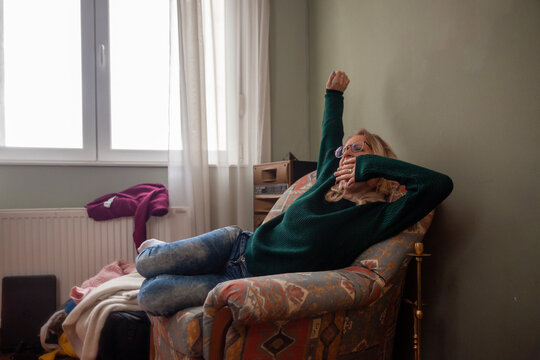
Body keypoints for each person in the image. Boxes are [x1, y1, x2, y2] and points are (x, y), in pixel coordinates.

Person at [135, 71, 453, 316]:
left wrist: (371, 165)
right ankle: (160, 248)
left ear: (377, 160)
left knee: (151, 294)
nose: (346, 156)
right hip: (236, 243)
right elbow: (331, 133)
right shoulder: (327, 180)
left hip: (243, 276)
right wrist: (333, 93)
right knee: (146, 264)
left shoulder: (378, 217)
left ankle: (173, 257)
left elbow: (438, 185)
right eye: (346, 151)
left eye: (359, 150)